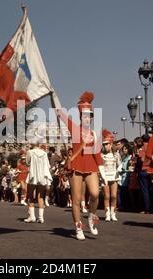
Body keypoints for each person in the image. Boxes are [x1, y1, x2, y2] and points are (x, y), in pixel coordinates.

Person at [56, 91, 103, 240]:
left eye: (89, 115)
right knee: (76, 199)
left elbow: (97, 154)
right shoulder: (74, 128)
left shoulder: (95, 134)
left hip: (91, 166)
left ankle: (91, 216)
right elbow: (62, 115)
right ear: (80, 116)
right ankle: (78, 226)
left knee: (95, 194)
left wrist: (102, 169)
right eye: (84, 115)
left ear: (92, 117)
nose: (87, 118)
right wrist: (55, 101)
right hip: (76, 166)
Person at [24, 143, 52, 224]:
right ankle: (41, 217)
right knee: (41, 197)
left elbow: (27, 163)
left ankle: (32, 216)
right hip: (42, 176)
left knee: (30, 196)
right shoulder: (44, 153)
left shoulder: (30, 152)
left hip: (33, 175)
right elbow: (48, 166)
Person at [100, 129, 120, 222]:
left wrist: (119, 170)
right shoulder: (102, 155)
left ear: (111, 144)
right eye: (104, 144)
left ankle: (113, 213)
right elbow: (100, 167)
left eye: (107, 144)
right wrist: (103, 176)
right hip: (105, 177)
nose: (105, 146)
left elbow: (120, 165)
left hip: (114, 176)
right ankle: (107, 214)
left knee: (114, 196)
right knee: (107, 196)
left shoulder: (116, 155)